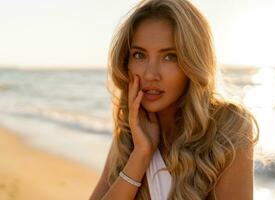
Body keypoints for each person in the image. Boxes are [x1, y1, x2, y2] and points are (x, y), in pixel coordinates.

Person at [89, 0, 259, 199]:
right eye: (139, 55)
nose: (151, 74)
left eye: (170, 57)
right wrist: (140, 155)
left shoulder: (229, 127)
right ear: (126, 62)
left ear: (193, 61)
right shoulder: (130, 134)